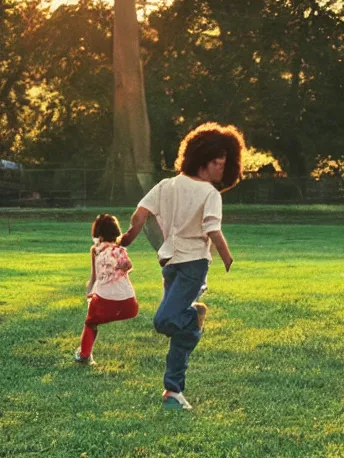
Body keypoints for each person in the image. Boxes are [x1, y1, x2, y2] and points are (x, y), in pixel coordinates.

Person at [119, 122, 245, 410]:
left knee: (164, 320)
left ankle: (193, 318)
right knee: (177, 327)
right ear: (201, 159)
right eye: (217, 163)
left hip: (194, 264)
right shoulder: (167, 185)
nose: (221, 170)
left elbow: (213, 230)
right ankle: (173, 391)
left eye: (225, 164)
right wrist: (128, 237)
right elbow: (140, 215)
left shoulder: (210, 193)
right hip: (171, 263)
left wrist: (226, 256)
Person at [74, 214, 139, 366]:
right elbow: (128, 265)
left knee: (90, 323)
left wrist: (89, 295)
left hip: (104, 301)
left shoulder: (95, 251)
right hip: (129, 305)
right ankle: (85, 354)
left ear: (99, 235)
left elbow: (94, 277)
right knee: (99, 315)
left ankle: (84, 355)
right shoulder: (120, 250)